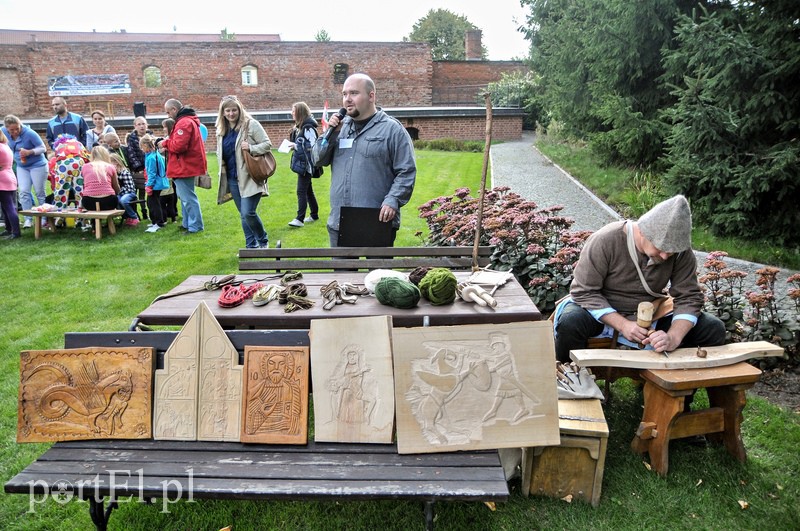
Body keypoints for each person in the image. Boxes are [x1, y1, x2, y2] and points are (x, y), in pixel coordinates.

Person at [553, 195, 726, 362]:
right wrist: (623, 325)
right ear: (643, 231)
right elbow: (583, 292)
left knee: (712, 328)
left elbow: (688, 297)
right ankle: (571, 384)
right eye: (660, 248)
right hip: (598, 312)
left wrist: (673, 337)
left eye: (671, 251)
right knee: (570, 322)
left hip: (651, 316)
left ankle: (675, 388)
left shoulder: (680, 253)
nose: (666, 256)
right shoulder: (606, 240)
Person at [312, 73, 416, 247]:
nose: (347, 99)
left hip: (377, 220)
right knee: (342, 274)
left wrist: (393, 200)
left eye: (354, 93)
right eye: (344, 94)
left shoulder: (392, 130)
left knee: (378, 274)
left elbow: (406, 171)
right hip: (340, 220)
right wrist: (331, 133)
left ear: (371, 96)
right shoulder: (339, 129)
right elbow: (316, 160)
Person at [214, 95, 271, 248]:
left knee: (248, 212)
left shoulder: (251, 125)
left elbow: (267, 144)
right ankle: (251, 246)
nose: (231, 114)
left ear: (239, 110)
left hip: (251, 176)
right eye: (228, 111)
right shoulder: (221, 130)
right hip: (232, 179)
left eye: (234, 110)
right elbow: (220, 152)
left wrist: (251, 148)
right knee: (243, 215)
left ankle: (263, 241)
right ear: (223, 112)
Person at [161, 98, 206, 234]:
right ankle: (187, 223)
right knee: (184, 197)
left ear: (174, 109)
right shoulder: (187, 121)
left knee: (188, 198)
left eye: (168, 112)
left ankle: (195, 226)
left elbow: (179, 146)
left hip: (184, 166)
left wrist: (165, 143)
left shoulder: (183, 123)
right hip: (185, 165)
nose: (168, 115)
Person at [2, 115, 48, 229]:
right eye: (12, 130)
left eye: (17, 128)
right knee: (23, 191)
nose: (15, 131)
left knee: (39, 192)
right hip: (21, 166)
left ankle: (44, 217)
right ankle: (28, 218)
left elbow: (43, 148)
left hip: (38, 165)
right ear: (6, 128)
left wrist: (30, 152)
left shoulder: (29, 133)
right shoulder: (3, 132)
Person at [287, 102, 320, 228]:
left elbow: (313, 146)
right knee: (308, 191)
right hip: (303, 163)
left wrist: (296, 146)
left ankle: (299, 219)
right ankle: (314, 214)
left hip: (307, 165)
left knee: (301, 191)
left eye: (293, 111)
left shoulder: (308, 127)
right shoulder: (302, 127)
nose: (292, 113)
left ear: (300, 112)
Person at [140, 134, 169, 233]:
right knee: (151, 202)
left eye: (142, 146)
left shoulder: (151, 158)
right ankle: (155, 221)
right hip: (158, 183)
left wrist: (149, 186)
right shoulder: (155, 155)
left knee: (154, 204)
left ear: (146, 145)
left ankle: (158, 222)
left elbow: (152, 173)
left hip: (155, 184)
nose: (141, 149)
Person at [80, 145, 120, 214]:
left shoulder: (84, 167)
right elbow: (116, 187)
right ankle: (108, 223)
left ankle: (93, 223)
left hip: (88, 202)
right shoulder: (110, 167)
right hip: (108, 201)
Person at [126, 116, 151, 221]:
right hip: (138, 170)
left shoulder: (150, 136)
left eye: (143, 124)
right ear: (135, 126)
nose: (141, 126)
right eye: (139, 124)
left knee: (148, 191)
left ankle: (148, 212)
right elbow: (132, 155)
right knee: (138, 191)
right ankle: (138, 213)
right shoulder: (132, 139)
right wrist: (139, 168)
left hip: (150, 168)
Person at [0, 128, 21, 239]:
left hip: (2, 179)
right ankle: (9, 229)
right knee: (6, 206)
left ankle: (16, 232)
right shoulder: (5, 145)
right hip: (9, 176)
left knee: (9, 207)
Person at [110, 153, 139, 226]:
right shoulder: (114, 173)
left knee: (123, 200)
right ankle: (126, 217)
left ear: (116, 162)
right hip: (121, 193)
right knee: (115, 200)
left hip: (129, 193)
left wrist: (119, 191)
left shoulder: (124, 172)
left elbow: (129, 187)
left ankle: (134, 216)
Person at [160, 118, 179, 223]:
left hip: (172, 168)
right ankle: (168, 212)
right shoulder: (165, 138)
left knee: (173, 190)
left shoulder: (173, 138)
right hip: (166, 168)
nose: (163, 129)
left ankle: (173, 211)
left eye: (165, 127)